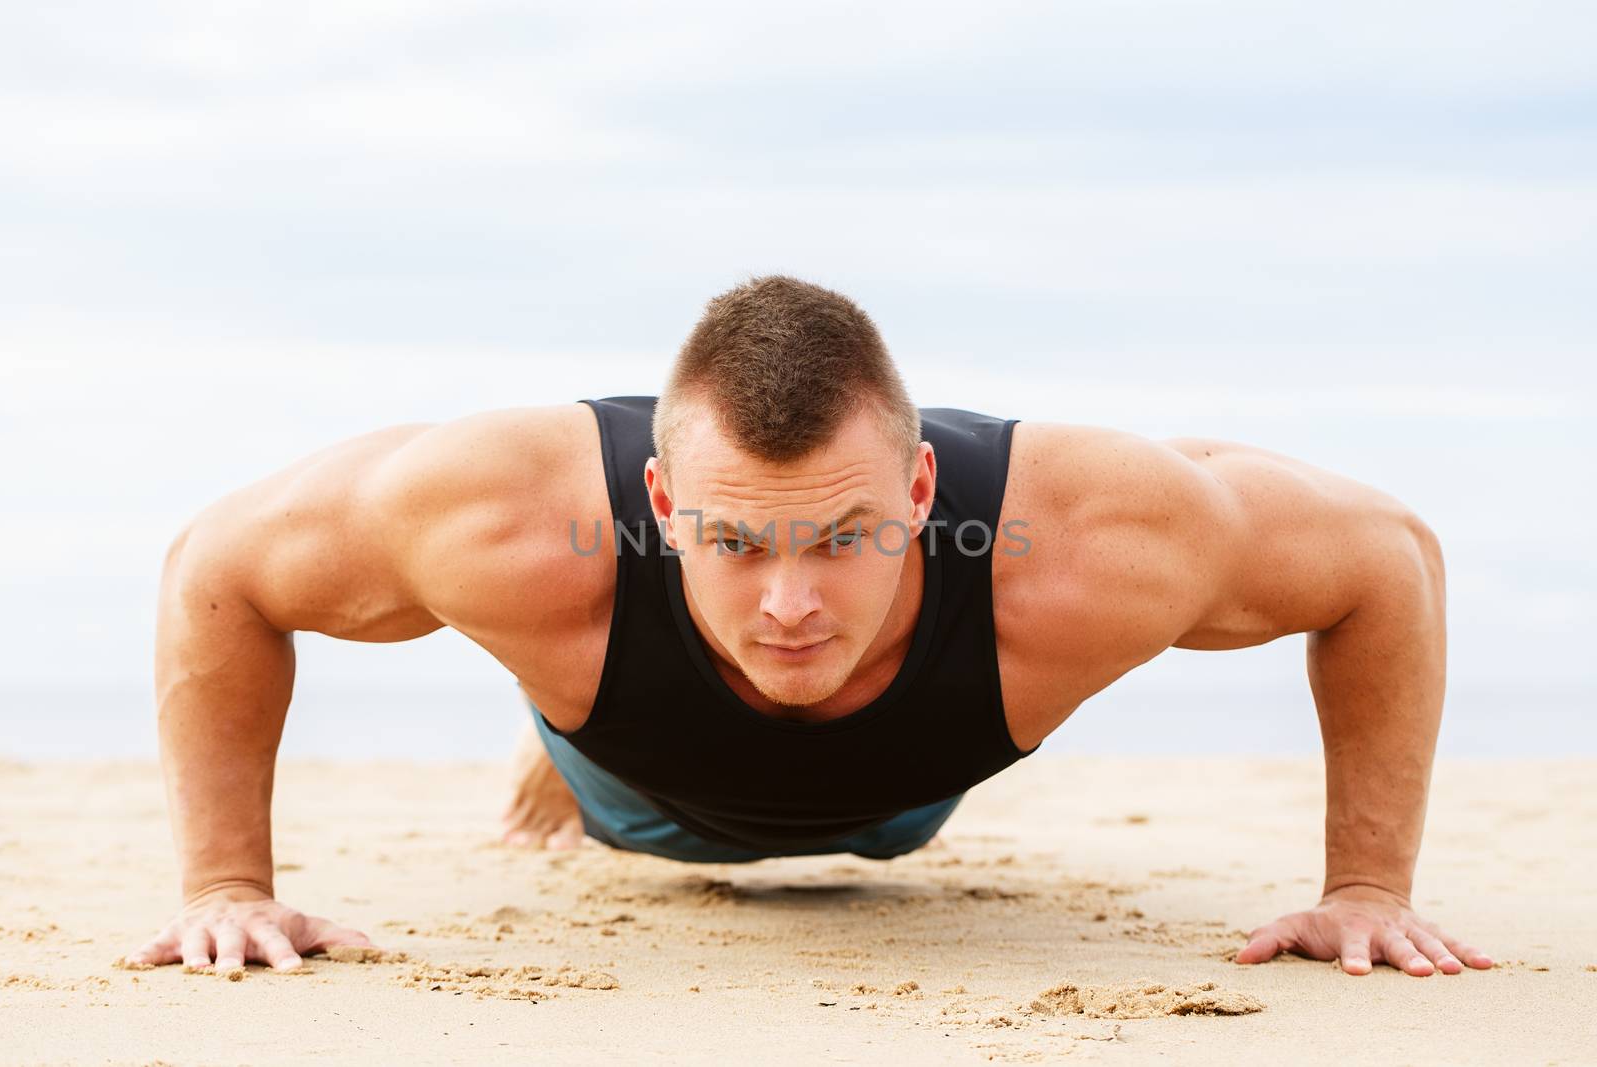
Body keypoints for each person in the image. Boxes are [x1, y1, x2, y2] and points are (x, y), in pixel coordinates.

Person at [125, 275, 1491, 980]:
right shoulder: (499, 518)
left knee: (882, 776)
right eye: (733, 541)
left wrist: (1366, 887)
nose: (789, 603)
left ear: (919, 489)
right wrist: (225, 888)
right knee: (592, 694)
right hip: (637, 790)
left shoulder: (1100, 538)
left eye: (845, 539)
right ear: (660, 502)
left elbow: (1389, 559)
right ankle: (564, 731)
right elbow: (215, 569)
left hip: (908, 799)